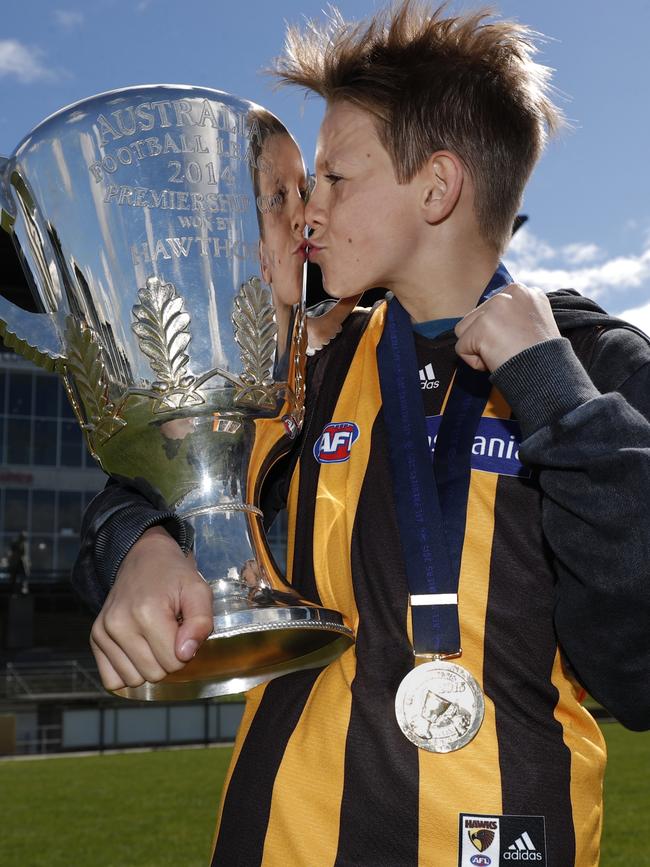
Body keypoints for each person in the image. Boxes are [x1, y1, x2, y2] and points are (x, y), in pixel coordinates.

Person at [71, 4, 650, 865]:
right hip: (277, 840)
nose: (308, 211)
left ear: (436, 187)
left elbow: (636, 667)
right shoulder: (307, 367)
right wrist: (141, 547)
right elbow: (141, 492)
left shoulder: (590, 364)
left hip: (505, 839)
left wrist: (554, 397)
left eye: (336, 179)